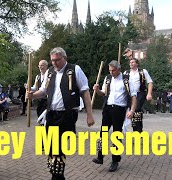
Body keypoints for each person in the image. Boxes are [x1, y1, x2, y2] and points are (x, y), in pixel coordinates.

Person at [26, 47, 95, 180]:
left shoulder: (75, 70)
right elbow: (44, 91)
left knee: (58, 147)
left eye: (57, 60)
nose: (55, 63)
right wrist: (33, 96)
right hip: (51, 115)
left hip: (67, 115)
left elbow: (85, 92)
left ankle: (56, 177)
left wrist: (89, 114)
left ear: (64, 58)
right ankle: (58, 175)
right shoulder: (50, 72)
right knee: (51, 147)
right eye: (52, 60)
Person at [92, 60, 136, 172]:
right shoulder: (107, 79)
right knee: (103, 133)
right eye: (110, 70)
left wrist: (132, 110)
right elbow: (104, 93)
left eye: (113, 70)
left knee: (116, 135)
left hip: (119, 109)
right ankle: (100, 157)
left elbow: (133, 96)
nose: (111, 72)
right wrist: (97, 91)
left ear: (119, 69)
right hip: (107, 108)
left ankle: (115, 161)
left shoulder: (126, 80)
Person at [123, 48, 153, 133]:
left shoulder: (143, 72)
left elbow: (150, 82)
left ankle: (137, 132)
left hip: (140, 93)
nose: (131, 63)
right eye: (130, 62)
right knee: (134, 112)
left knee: (135, 109)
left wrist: (149, 94)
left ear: (137, 64)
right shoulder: (126, 73)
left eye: (133, 62)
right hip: (130, 94)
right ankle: (138, 130)